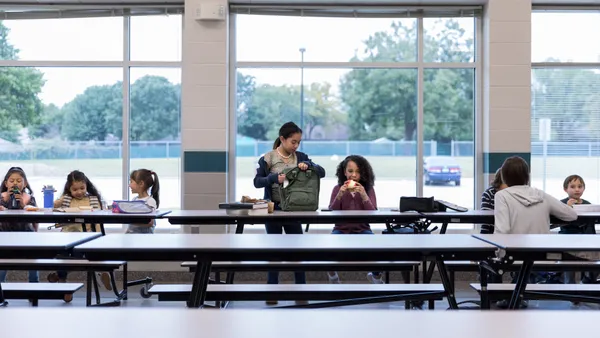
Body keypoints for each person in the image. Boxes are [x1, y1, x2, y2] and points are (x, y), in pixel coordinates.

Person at [253, 122, 325, 304]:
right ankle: (272, 293)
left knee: (297, 252)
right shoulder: (267, 158)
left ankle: (301, 292)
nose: (296, 146)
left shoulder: (300, 156)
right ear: (282, 139)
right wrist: (273, 178)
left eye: (298, 142)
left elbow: (321, 172)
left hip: (294, 210)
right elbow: (257, 182)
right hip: (274, 210)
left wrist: (308, 165)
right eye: (293, 142)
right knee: (274, 253)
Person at [48, 170, 110, 296]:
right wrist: (52, 199)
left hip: (88, 236)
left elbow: (98, 217)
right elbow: (51, 208)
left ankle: (61, 277)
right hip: (69, 236)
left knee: (79, 254)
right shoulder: (66, 199)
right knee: (62, 254)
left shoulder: (93, 199)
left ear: (87, 185)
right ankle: (63, 282)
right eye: (75, 189)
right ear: (69, 189)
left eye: (82, 188)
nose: (79, 192)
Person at [327, 155, 382, 284]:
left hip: (363, 230)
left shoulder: (368, 189)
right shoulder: (337, 189)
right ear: (344, 172)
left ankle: (376, 277)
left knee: (378, 249)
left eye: (357, 172)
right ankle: (333, 277)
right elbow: (332, 210)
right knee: (328, 250)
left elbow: (373, 212)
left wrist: (363, 195)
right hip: (341, 230)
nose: (353, 175)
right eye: (350, 171)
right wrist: (340, 195)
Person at [0, 167, 39, 284]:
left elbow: (35, 219)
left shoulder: (29, 198)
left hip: (26, 235)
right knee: (2, 266)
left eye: (19, 181)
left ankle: (34, 291)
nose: (15, 183)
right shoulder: (1, 197)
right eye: (12, 181)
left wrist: (23, 205)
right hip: (5, 236)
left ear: (25, 183)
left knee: (33, 262)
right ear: (6, 183)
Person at [559, 175, 596, 285]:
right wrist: (568, 208)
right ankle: (570, 291)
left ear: (584, 188)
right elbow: (560, 222)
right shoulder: (561, 204)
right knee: (570, 269)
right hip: (568, 241)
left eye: (580, 186)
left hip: (585, 241)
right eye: (573, 186)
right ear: (566, 189)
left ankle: (587, 281)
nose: (577, 189)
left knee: (590, 266)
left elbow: (591, 224)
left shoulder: (588, 204)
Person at [126, 169, 160, 233]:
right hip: (132, 237)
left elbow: (150, 223)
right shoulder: (134, 200)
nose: (129, 185)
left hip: (144, 238)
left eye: (131, 182)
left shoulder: (150, 201)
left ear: (141, 183)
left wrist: (130, 221)